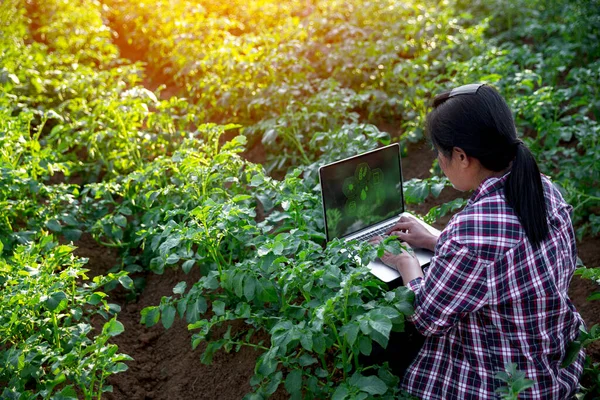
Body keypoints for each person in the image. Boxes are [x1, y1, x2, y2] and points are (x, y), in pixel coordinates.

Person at [371, 84, 585, 399]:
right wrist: (436, 239)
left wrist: (406, 261)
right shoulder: (543, 189)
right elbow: (508, 257)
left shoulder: (472, 233)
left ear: (461, 156)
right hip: (556, 362)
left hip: (508, 383)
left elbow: (428, 318)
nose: (439, 162)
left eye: (439, 152)